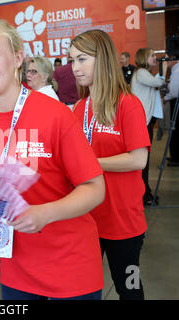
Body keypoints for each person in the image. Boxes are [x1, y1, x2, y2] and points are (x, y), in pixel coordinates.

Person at [0, 18, 106, 300]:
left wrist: (43, 213)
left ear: (17, 58)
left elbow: (95, 188)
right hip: (16, 271)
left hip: (70, 267)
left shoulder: (55, 115)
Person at [71, 29, 150, 300]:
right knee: (81, 287)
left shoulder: (128, 104)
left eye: (82, 59)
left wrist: (90, 162)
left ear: (102, 59)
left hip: (122, 220)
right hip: (87, 217)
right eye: (72, 61)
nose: (75, 68)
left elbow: (139, 158)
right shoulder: (79, 108)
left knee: (129, 287)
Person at [131, 48, 168, 205]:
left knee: (143, 162)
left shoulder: (143, 74)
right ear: (144, 58)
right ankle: (144, 195)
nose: (155, 58)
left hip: (144, 122)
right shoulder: (141, 73)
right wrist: (164, 67)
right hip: (142, 124)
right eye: (152, 56)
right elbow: (158, 83)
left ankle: (145, 193)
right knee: (142, 162)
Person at [164, 57, 179, 167]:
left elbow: (174, 91)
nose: (167, 61)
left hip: (176, 102)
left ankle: (176, 158)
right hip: (175, 101)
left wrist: (165, 98)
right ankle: (175, 155)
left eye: (169, 59)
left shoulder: (177, 70)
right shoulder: (175, 69)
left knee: (175, 130)